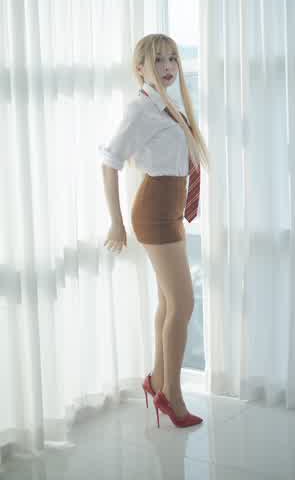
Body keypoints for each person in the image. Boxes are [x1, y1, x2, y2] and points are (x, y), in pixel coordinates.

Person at [98, 33, 210, 428]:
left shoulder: (164, 105)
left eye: (172, 59)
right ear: (140, 68)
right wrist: (116, 222)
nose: (167, 67)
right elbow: (110, 161)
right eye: (157, 60)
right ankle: (171, 396)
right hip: (155, 211)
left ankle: (157, 381)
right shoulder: (140, 110)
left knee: (168, 302)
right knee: (183, 304)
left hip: (169, 209)